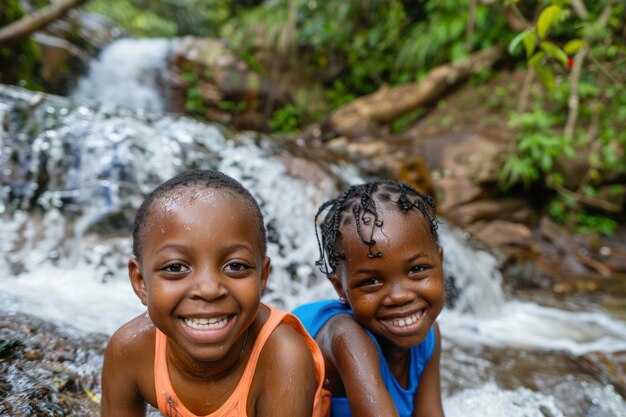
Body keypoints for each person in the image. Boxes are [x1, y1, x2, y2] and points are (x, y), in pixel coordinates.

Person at [100, 169, 328, 417]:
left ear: (263, 276)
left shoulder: (283, 358)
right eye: (176, 267)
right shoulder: (129, 350)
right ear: (140, 281)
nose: (209, 290)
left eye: (235, 266)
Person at [293, 180, 446, 417]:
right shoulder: (346, 337)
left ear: (441, 261)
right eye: (371, 282)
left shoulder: (429, 336)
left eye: (417, 270)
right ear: (340, 289)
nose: (400, 296)